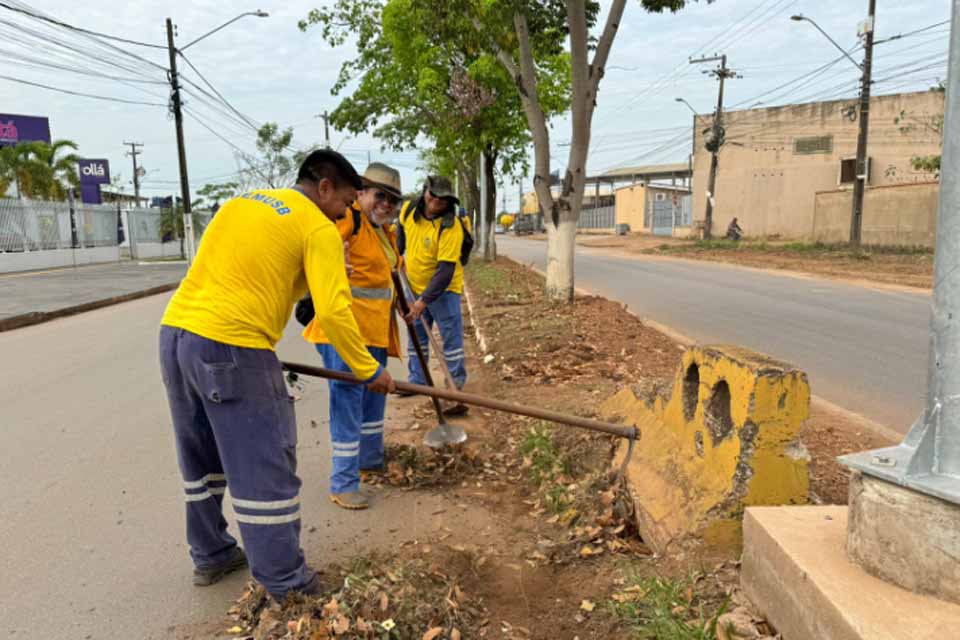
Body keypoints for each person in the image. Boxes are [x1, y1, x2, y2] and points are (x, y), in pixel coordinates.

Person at [158, 149, 395, 602]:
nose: (346, 212)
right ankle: (288, 583)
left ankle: (211, 555)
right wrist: (368, 370)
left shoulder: (244, 202)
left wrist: (312, 276)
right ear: (324, 187)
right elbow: (334, 312)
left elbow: (261, 275)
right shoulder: (317, 226)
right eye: (345, 202)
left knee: (201, 457)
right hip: (234, 345)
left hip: (177, 336)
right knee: (265, 460)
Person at [306, 163, 404, 510]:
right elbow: (324, 237)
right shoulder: (349, 220)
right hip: (344, 333)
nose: (387, 205)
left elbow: (388, 274)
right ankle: (344, 482)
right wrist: (336, 256)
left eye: (393, 200)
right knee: (348, 402)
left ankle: (369, 460)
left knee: (373, 399)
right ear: (360, 193)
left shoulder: (384, 232)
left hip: (375, 333)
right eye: (381, 196)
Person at [396, 176, 469, 412]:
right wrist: (398, 259)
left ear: (449, 201)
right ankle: (418, 381)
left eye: (443, 198)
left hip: (444, 290)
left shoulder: (451, 226)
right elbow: (400, 235)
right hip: (413, 284)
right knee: (416, 337)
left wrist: (422, 302)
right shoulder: (408, 210)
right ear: (425, 191)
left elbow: (445, 270)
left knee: (451, 341)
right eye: (432, 194)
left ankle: (454, 388)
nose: (436, 201)